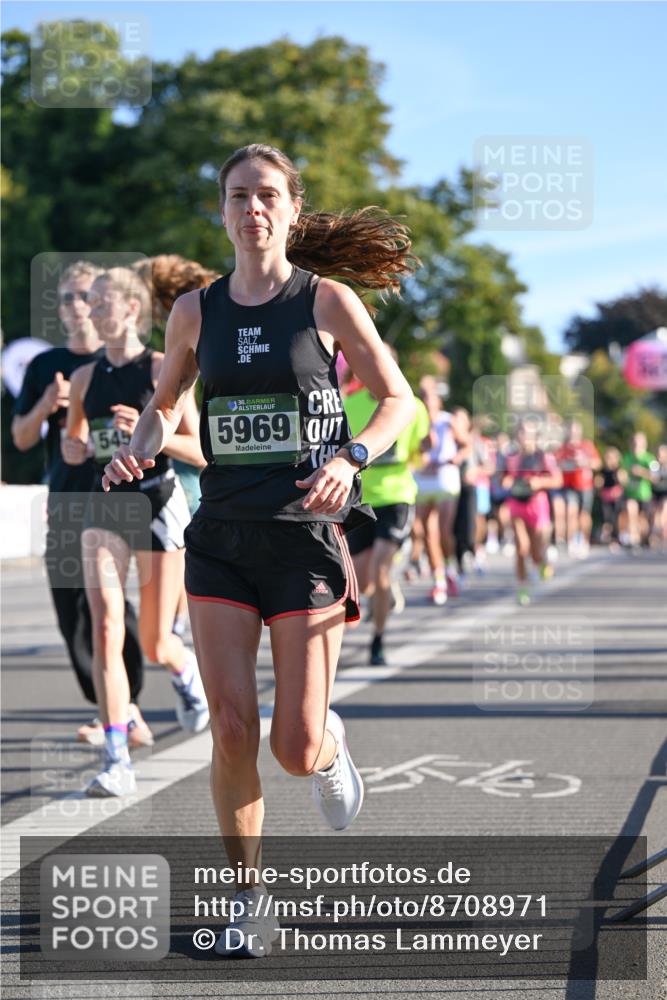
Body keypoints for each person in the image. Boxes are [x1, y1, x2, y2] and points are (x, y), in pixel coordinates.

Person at [100, 144, 417, 956]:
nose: (252, 208)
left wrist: (352, 458)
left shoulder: (327, 301)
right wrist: (137, 445)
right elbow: (163, 404)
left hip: (305, 538)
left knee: (292, 744)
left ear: (290, 209)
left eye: (267, 195)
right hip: (220, 541)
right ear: (222, 209)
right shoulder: (194, 312)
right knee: (234, 728)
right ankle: (249, 899)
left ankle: (329, 742)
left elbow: (395, 398)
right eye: (238, 195)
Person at [63, 266, 210, 797]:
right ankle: (116, 755)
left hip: (157, 502)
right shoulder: (83, 379)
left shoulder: (160, 369)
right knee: (104, 627)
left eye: (101, 302)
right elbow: (72, 443)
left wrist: (152, 437)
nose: (90, 311)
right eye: (87, 303)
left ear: (131, 308)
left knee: (153, 641)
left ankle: (185, 673)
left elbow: (202, 452)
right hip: (103, 506)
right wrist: (74, 449)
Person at [11, 261, 152, 748]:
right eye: (68, 297)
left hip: (127, 496)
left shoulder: (128, 364)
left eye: (86, 295)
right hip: (68, 500)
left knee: (117, 611)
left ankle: (126, 702)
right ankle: (113, 707)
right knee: (72, 607)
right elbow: (22, 438)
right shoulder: (46, 365)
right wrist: (48, 402)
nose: (77, 305)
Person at [345, 345, 430, 665]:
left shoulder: (414, 407)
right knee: (362, 580)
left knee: (380, 569)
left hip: (397, 496)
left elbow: (422, 449)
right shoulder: (348, 404)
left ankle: (377, 641)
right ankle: (385, 592)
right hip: (362, 498)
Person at [412, 383, 469, 605]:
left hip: (446, 480)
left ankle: (451, 569)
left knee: (444, 531)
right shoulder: (415, 421)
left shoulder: (448, 421)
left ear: (438, 401)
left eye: (431, 397)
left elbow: (466, 445)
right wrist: (420, 452)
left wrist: (457, 458)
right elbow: (411, 448)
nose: (427, 402)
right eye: (423, 397)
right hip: (424, 481)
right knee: (426, 532)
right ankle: (439, 580)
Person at [502, 422, 563, 606]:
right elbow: (503, 477)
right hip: (516, 504)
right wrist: (506, 480)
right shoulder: (511, 457)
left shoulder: (543, 457)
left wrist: (539, 482)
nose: (523, 438)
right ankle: (522, 587)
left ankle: (542, 562)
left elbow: (557, 480)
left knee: (536, 552)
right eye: (520, 433)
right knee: (521, 548)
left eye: (527, 434)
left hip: (537, 504)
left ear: (535, 437)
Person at [555, 419, 601, 558]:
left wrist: (584, 462)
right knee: (571, 511)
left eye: (576, 431)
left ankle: (584, 540)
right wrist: (566, 465)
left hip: (585, 485)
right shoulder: (562, 448)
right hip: (569, 486)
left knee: (584, 515)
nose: (574, 434)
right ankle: (572, 541)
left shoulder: (587, 446)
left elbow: (598, 463)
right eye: (571, 431)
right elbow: (556, 465)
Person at [621, 432, 656, 548]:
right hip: (631, 493)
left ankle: (644, 538)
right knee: (631, 513)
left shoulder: (649, 459)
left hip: (645, 494)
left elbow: (655, 478)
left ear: (644, 444)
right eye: (634, 442)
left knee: (644, 520)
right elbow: (622, 473)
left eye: (639, 442)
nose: (636, 445)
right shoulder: (627, 457)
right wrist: (623, 478)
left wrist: (641, 472)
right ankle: (633, 538)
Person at [595, 446, 626, 548]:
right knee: (607, 517)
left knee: (616, 517)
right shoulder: (603, 471)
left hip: (617, 498)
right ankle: (607, 535)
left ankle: (617, 537)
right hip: (606, 497)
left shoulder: (619, 470)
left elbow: (623, 482)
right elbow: (599, 483)